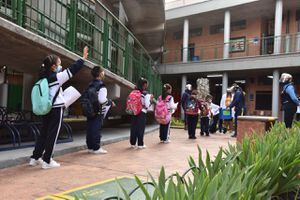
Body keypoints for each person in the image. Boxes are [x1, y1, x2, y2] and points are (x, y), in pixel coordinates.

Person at [30, 47, 89, 169]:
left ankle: (35, 158)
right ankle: (47, 160)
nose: (60, 67)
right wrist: (82, 59)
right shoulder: (57, 77)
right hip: (56, 109)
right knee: (53, 134)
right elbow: (73, 69)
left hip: (47, 109)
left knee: (44, 133)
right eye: (59, 64)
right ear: (53, 67)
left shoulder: (43, 77)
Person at [85, 66, 115, 154]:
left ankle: (90, 147)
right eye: (103, 71)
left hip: (89, 109)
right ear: (100, 73)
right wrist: (109, 102)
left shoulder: (90, 84)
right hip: (98, 110)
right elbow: (102, 100)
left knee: (90, 128)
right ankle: (96, 148)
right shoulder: (101, 85)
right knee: (96, 128)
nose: (104, 73)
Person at [130, 77, 151, 149]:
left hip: (134, 111)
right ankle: (140, 144)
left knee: (134, 127)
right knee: (140, 128)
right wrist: (150, 100)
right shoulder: (146, 94)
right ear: (144, 85)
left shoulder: (133, 92)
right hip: (142, 112)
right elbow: (147, 105)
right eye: (147, 84)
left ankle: (132, 143)